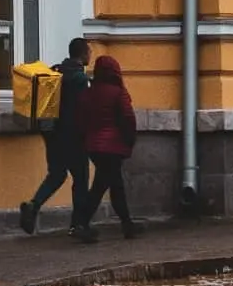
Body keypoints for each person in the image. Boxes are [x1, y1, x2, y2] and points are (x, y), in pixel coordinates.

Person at [18, 38, 93, 236]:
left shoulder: (56, 71)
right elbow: (84, 110)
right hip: (73, 137)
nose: (90, 55)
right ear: (83, 54)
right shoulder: (79, 79)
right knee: (81, 179)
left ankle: (33, 205)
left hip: (52, 134)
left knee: (57, 174)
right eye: (89, 52)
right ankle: (77, 225)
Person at [73, 55, 142, 244]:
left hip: (93, 147)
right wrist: (129, 140)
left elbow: (80, 120)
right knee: (102, 186)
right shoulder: (118, 93)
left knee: (112, 184)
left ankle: (127, 224)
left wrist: (85, 140)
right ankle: (82, 223)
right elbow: (128, 118)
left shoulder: (88, 93)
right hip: (112, 147)